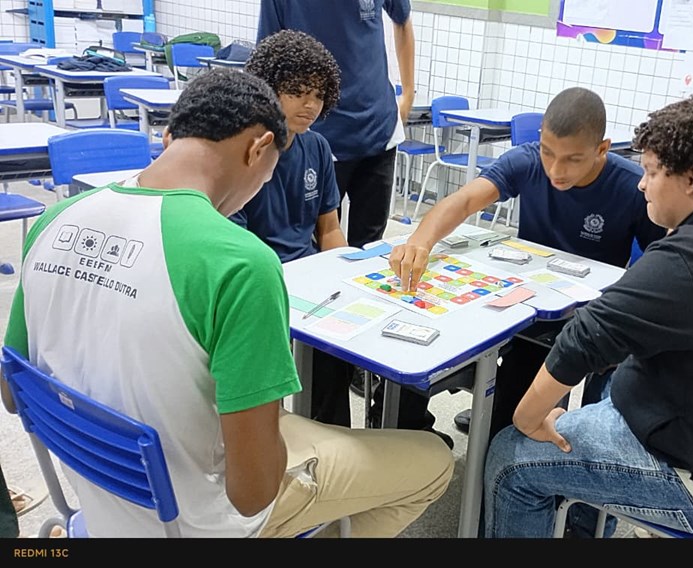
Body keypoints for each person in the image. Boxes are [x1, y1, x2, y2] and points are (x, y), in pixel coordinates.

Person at [1, 69, 453, 538]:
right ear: (259, 149)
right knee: (433, 461)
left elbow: (13, 394)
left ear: (170, 137)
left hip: (99, 497)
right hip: (199, 521)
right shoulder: (240, 263)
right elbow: (252, 492)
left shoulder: (55, 219)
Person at [482, 97, 693, 538]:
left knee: (510, 456)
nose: (642, 185)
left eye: (652, 172)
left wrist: (527, 419)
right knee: (605, 387)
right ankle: (582, 528)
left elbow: (583, 338)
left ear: (692, 179)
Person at [389, 87, 665, 442]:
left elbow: (659, 263)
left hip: (573, 318)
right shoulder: (528, 160)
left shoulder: (631, 186)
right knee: (424, 329)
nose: (556, 170)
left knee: (512, 419)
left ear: (602, 149)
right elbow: (464, 200)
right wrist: (420, 241)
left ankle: (498, 425)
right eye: (548, 152)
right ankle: (411, 434)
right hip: (516, 294)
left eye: (573, 159)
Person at [230, 29, 359, 430]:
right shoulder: (243, 151)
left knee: (341, 351)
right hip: (262, 279)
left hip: (310, 278)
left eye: (318, 95)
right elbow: (238, 249)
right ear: (268, 89)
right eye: (298, 92)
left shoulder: (317, 147)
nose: (310, 105)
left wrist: (347, 277)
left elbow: (330, 229)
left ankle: (332, 434)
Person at [257, 0, 416, 248]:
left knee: (370, 243)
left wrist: (408, 94)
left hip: (379, 128)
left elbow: (403, 20)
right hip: (320, 133)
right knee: (310, 237)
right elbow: (267, 56)